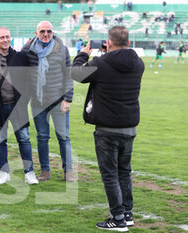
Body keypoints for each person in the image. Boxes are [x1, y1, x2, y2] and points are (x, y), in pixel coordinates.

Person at [72, 26, 144, 232]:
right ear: (128, 43)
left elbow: (77, 74)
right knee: (124, 172)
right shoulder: (138, 63)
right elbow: (118, 64)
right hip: (129, 126)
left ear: (108, 43)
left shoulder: (101, 63)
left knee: (110, 174)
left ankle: (118, 218)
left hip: (107, 128)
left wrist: (83, 54)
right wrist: (108, 54)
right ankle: (127, 214)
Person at [0, 26, 38, 185]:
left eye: (7, 37)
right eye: (2, 37)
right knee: (0, 140)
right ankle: (4, 172)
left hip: (17, 106)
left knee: (24, 139)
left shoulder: (20, 56)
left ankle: (29, 172)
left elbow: (30, 76)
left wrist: (26, 97)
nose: (6, 40)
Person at [21, 21, 75, 182]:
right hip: (38, 102)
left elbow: (69, 75)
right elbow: (15, 60)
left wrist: (68, 99)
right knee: (42, 137)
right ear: (36, 33)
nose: (46, 34)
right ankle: (45, 170)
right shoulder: (28, 49)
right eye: (43, 31)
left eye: (49, 31)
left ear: (53, 33)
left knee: (63, 137)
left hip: (59, 101)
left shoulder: (61, 49)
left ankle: (68, 171)